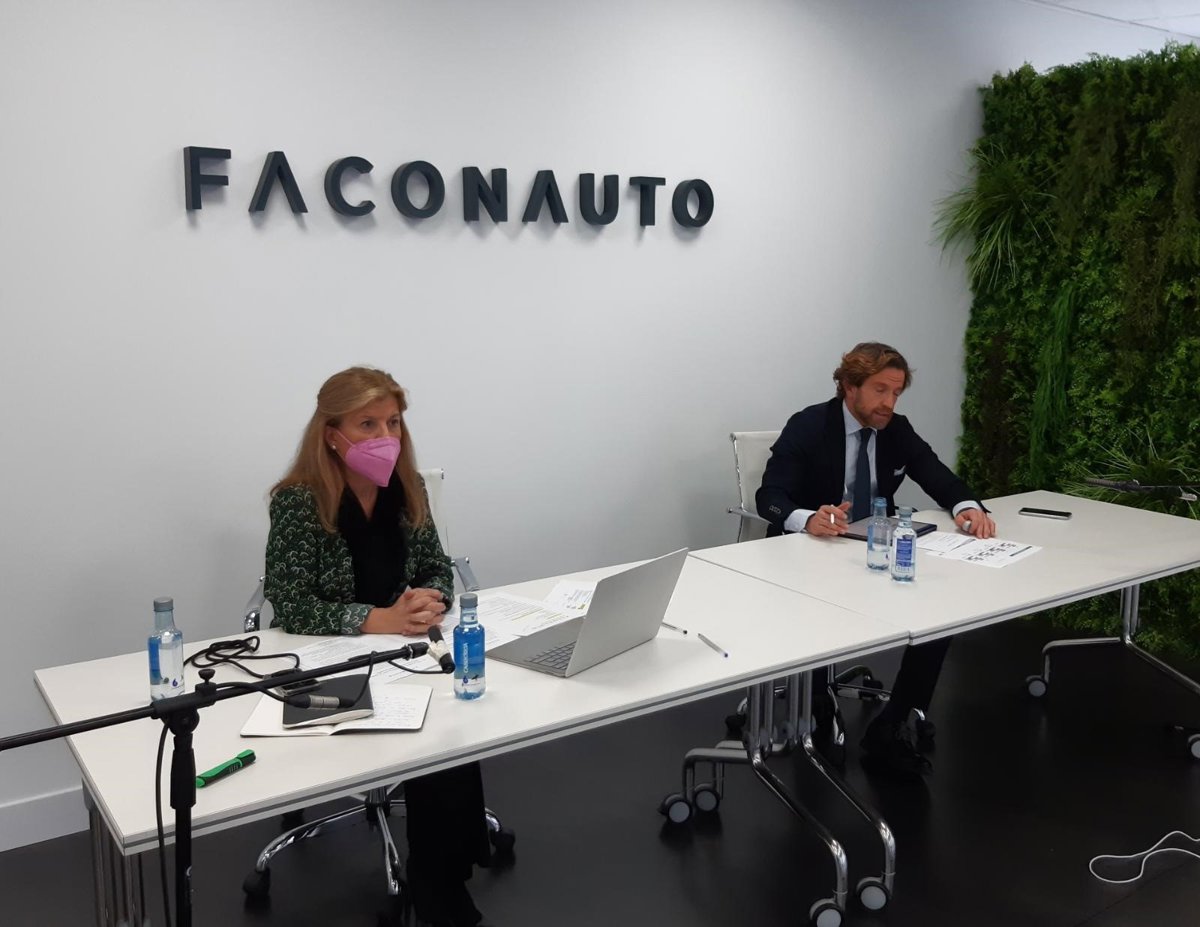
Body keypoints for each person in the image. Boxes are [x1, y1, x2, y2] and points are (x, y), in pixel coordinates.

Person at [265, 366, 490, 927]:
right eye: (367, 424)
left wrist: (429, 599)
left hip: (409, 647)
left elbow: (436, 565)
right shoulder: (298, 501)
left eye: (392, 422)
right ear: (331, 434)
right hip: (332, 659)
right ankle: (439, 889)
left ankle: (445, 875)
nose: (385, 436)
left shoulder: (407, 489)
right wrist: (376, 619)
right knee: (434, 733)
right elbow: (290, 602)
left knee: (455, 719)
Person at [756, 342, 996, 779]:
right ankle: (815, 708)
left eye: (896, 393)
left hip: (870, 552)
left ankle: (894, 723)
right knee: (821, 616)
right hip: (809, 555)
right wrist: (807, 518)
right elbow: (769, 497)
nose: (889, 403)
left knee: (939, 617)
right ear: (850, 386)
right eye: (880, 390)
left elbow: (938, 475)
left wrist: (967, 506)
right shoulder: (809, 425)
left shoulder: (894, 429)